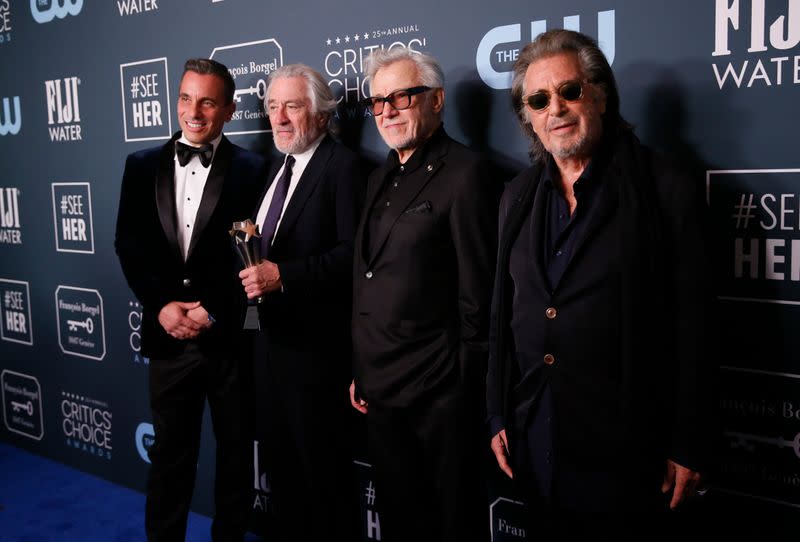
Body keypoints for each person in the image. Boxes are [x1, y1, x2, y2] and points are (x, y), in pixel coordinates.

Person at [486, 29, 715, 540]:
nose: (556, 109)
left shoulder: (663, 188)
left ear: (601, 95)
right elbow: (503, 311)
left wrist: (688, 440)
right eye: (539, 100)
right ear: (528, 116)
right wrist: (499, 409)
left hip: (629, 449)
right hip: (537, 438)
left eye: (569, 91)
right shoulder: (517, 197)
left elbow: (695, 326)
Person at [350, 48, 499, 542]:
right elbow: (370, 276)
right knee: (399, 518)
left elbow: (478, 295)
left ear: (436, 100)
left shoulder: (467, 173)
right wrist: (362, 367)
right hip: (380, 388)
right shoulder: (377, 177)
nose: (387, 111)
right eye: (377, 102)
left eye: (401, 97)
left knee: (450, 523)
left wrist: (461, 388)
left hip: (439, 397)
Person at [115, 58, 266, 542]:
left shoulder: (253, 169)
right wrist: (161, 306)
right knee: (169, 460)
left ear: (228, 109)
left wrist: (212, 310)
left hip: (229, 341)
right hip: (167, 339)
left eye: (206, 101)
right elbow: (128, 246)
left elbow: (252, 255)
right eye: (185, 97)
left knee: (235, 458)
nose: (193, 111)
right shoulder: (139, 167)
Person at [237, 63, 363, 542]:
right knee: (283, 481)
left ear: (322, 114)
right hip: (268, 352)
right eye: (273, 106)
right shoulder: (275, 168)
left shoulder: (343, 166)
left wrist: (282, 276)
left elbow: (354, 256)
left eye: (293, 105)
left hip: (316, 361)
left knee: (325, 485)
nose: (280, 117)